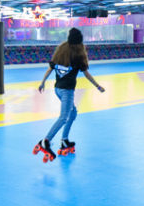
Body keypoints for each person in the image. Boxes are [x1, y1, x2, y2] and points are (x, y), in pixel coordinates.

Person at [34, 27, 105, 162]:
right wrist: (97, 86)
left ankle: (64, 140)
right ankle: (45, 141)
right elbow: (86, 74)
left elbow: (50, 69)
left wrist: (42, 82)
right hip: (67, 91)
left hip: (57, 89)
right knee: (64, 117)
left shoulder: (61, 51)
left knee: (73, 113)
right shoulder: (78, 56)